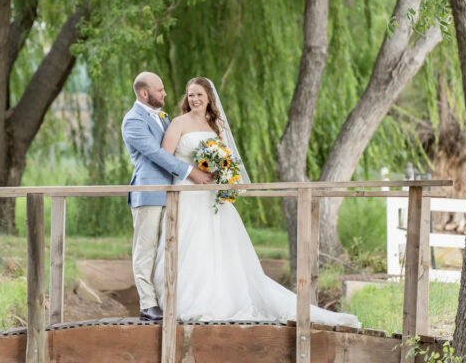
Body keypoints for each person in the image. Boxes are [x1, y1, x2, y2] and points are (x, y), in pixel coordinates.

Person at [152, 77, 360, 327]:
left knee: (218, 248)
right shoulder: (178, 123)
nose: (194, 99)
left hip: (211, 194)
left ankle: (219, 298)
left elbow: (227, 160)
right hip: (186, 193)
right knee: (188, 244)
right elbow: (164, 158)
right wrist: (191, 172)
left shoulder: (215, 126)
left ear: (209, 98)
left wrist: (221, 172)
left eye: (199, 95)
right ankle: (184, 299)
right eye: (190, 95)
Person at [121, 72, 212, 321]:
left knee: (165, 249)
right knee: (146, 248)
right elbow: (157, 154)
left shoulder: (162, 117)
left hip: (173, 193)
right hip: (149, 193)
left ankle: (167, 299)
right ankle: (147, 304)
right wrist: (190, 172)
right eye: (159, 90)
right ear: (144, 93)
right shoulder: (133, 121)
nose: (165, 94)